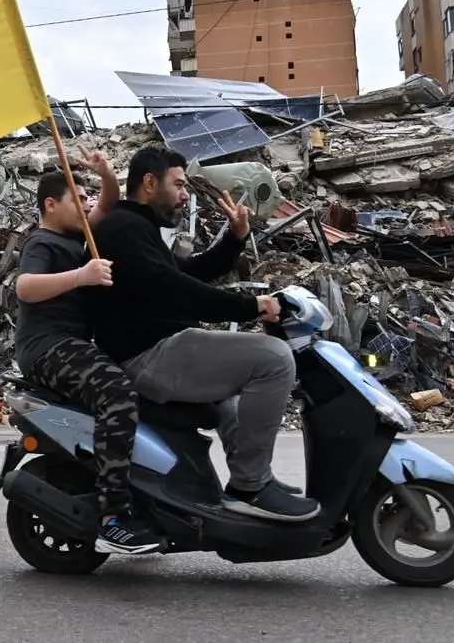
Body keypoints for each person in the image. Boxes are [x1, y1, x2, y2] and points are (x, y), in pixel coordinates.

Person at [88, 145, 321, 522]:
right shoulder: (123, 228)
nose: (185, 195)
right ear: (150, 183)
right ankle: (250, 485)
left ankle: (251, 481)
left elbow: (188, 274)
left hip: (158, 347)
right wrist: (252, 306)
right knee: (274, 359)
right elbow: (174, 289)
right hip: (148, 354)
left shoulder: (136, 228)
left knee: (231, 396)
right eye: (178, 185)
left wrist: (235, 236)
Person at [14, 148, 164, 554]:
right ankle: (112, 517)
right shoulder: (42, 242)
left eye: (86, 198)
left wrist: (106, 173)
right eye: (77, 199)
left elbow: (109, 204)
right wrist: (80, 276)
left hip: (75, 345)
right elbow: (25, 287)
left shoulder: (78, 236)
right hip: (48, 348)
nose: (86, 205)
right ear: (50, 204)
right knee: (117, 394)